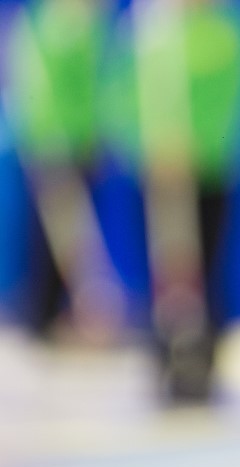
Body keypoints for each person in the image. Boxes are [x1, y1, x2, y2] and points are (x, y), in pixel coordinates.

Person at [102, 0, 240, 401]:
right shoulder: (144, 29)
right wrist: (145, 144)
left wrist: (197, 146)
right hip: (155, 172)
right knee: (161, 268)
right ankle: (165, 359)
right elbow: (120, 93)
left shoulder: (230, 30)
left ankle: (204, 360)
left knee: (208, 267)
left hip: (211, 171)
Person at [3, 0, 125, 344]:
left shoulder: (95, 30)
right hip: (51, 146)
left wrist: (102, 133)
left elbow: (103, 88)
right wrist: (47, 138)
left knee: (77, 234)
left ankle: (68, 316)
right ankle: (42, 318)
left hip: (85, 146)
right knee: (51, 235)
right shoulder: (45, 26)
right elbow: (34, 87)